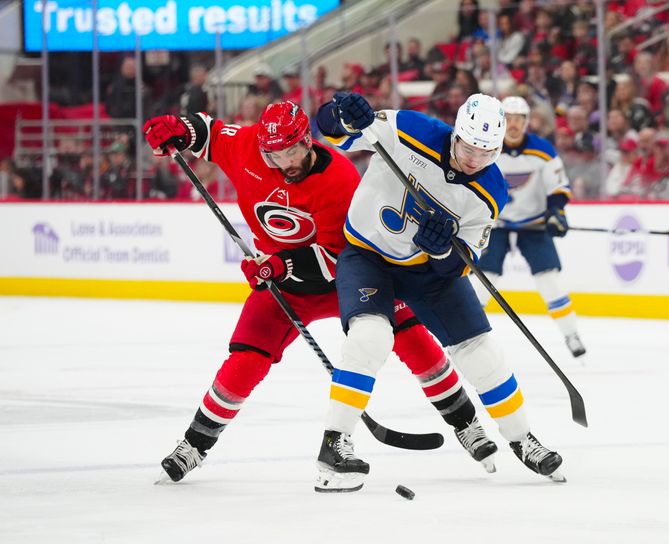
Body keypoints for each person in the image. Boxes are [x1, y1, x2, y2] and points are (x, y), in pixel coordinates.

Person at [142, 101, 498, 483]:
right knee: (247, 356)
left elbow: (336, 256)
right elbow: (209, 133)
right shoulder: (247, 147)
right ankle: (194, 444)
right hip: (285, 286)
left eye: (293, 150)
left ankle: (467, 423)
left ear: (307, 141)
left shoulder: (338, 177)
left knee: (413, 338)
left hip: (346, 278)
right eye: (274, 154)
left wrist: (279, 265)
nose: (285, 161)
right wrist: (176, 127)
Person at [313, 92, 564, 493]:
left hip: (426, 273)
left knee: (482, 352)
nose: (473, 159)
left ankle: (522, 438)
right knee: (369, 337)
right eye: (467, 147)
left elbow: (463, 262)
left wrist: (444, 249)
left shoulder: (492, 189)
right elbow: (331, 135)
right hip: (367, 255)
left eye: (486, 153)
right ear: (456, 133)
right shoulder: (410, 128)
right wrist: (341, 114)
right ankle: (334, 443)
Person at [468, 95, 586, 357]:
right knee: (484, 280)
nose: (513, 125)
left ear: (527, 122)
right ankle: (466, 337)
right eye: (508, 119)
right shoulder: (487, 147)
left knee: (549, 279)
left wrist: (557, 212)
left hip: (533, 223)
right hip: (495, 224)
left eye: (519, 119)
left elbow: (557, 187)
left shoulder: (542, 150)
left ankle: (571, 334)